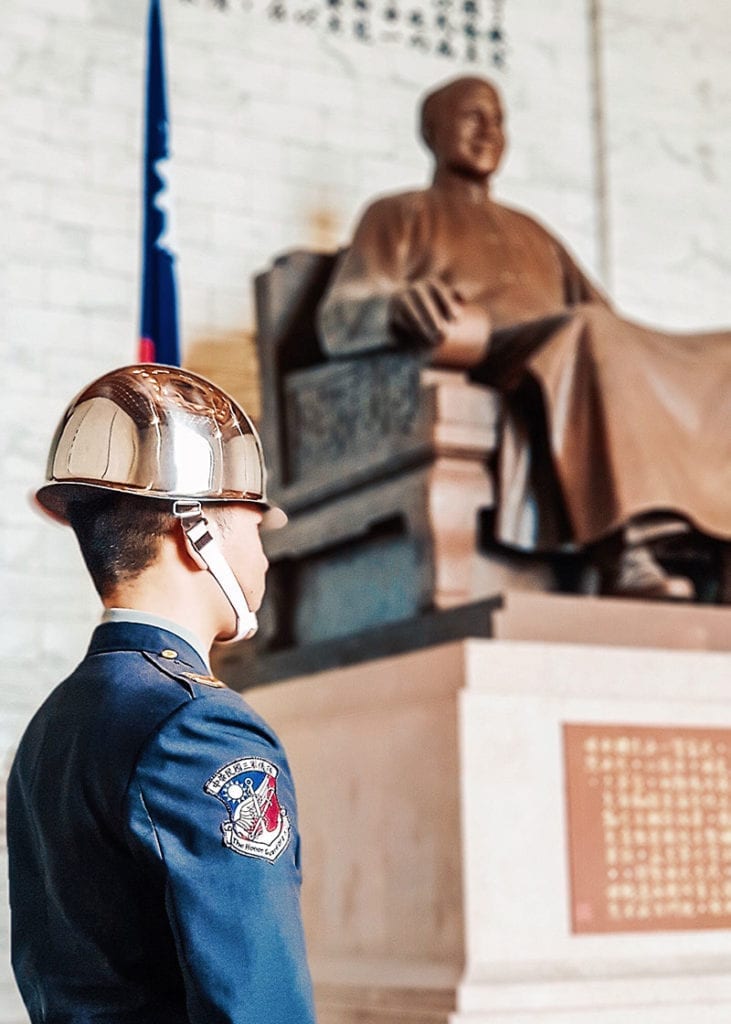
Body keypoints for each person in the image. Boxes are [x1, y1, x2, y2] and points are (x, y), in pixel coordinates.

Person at [318, 75, 731, 600]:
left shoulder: (531, 229)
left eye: (499, 120)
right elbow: (340, 316)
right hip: (487, 351)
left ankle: (717, 546)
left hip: (569, 349)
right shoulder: (398, 214)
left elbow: (611, 322)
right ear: (432, 132)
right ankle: (621, 549)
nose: (490, 131)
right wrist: (396, 306)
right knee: (590, 332)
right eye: (473, 117)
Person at [7, 365, 316, 1023]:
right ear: (194, 533)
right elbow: (256, 1002)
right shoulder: (197, 726)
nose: (263, 559)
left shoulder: (51, 725)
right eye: (254, 530)